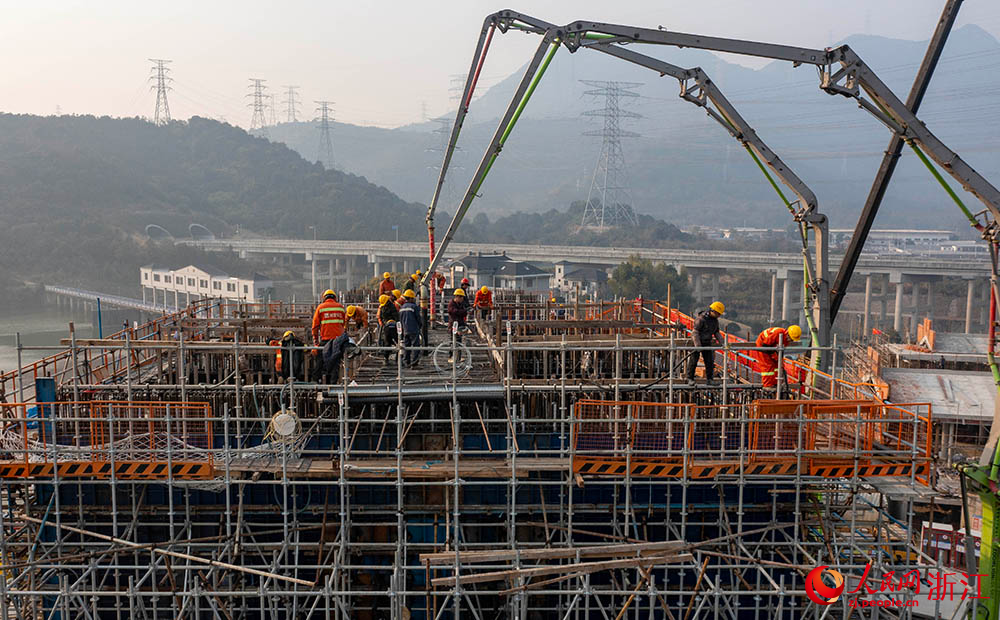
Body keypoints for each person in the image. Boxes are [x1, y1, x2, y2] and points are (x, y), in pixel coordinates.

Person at [685, 301, 725, 385]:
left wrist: (723, 343)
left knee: (709, 362)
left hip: (707, 342)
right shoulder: (701, 319)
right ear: (713, 311)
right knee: (693, 361)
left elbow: (716, 332)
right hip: (697, 342)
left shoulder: (715, 321)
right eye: (718, 314)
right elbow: (695, 332)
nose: (719, 316)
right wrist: (698, 345)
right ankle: (689, 379)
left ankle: (710, 380)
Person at [310, 290, 346, 382]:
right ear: (334, 297)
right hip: (338, 340)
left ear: (324, 298)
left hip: (325, 339)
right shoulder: (341, 308)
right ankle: (333, 384)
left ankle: (315, 381)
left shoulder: (320, 308)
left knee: (320, 360)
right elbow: (343, 324)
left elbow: (315, 326)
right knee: (335, 363)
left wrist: (316, 341)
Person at [753, 324, 802, 389]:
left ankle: (775, 383)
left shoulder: (786, 339)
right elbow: (765, 345)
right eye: (791, 338)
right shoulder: (778, 333)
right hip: (762, 346)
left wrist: (780, 359)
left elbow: (781, 350)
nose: (791, 340)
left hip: (771, 347)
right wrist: (774, 355)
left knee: (777, 366)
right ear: (787, 334)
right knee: (768, 367)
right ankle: (767, 385)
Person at [399, 289, 422, 367]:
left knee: (406, 346)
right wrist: (420, 325)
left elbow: (400, 320)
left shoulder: (402, 307)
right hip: (414, 329)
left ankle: (406, 362)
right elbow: (418, 318)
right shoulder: (414, 307)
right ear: (411, 298)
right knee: (416, 346)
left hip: (405, 330)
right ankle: (414, 362)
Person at [447, 288, 469, 364]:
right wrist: (463, 311)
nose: (462, 299)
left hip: (460, 325)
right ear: (457, 297)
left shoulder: (460, 304)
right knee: (453, 342)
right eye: (462, 297)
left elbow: (463, 313)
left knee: (459, 342)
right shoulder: (451, 304)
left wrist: (464, 311)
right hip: (453, 326)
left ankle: (458, 358)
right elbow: (453, 311)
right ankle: (451, 357)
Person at [377, 293, 400, 362]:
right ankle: (398, 358)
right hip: (393, 326)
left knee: (387, 343)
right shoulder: (392, 306)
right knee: (397, 342)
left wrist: (383, 325)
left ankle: (386, 358)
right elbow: (396, 316)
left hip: (386, 327)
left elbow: (380, 317)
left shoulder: (382, 308)